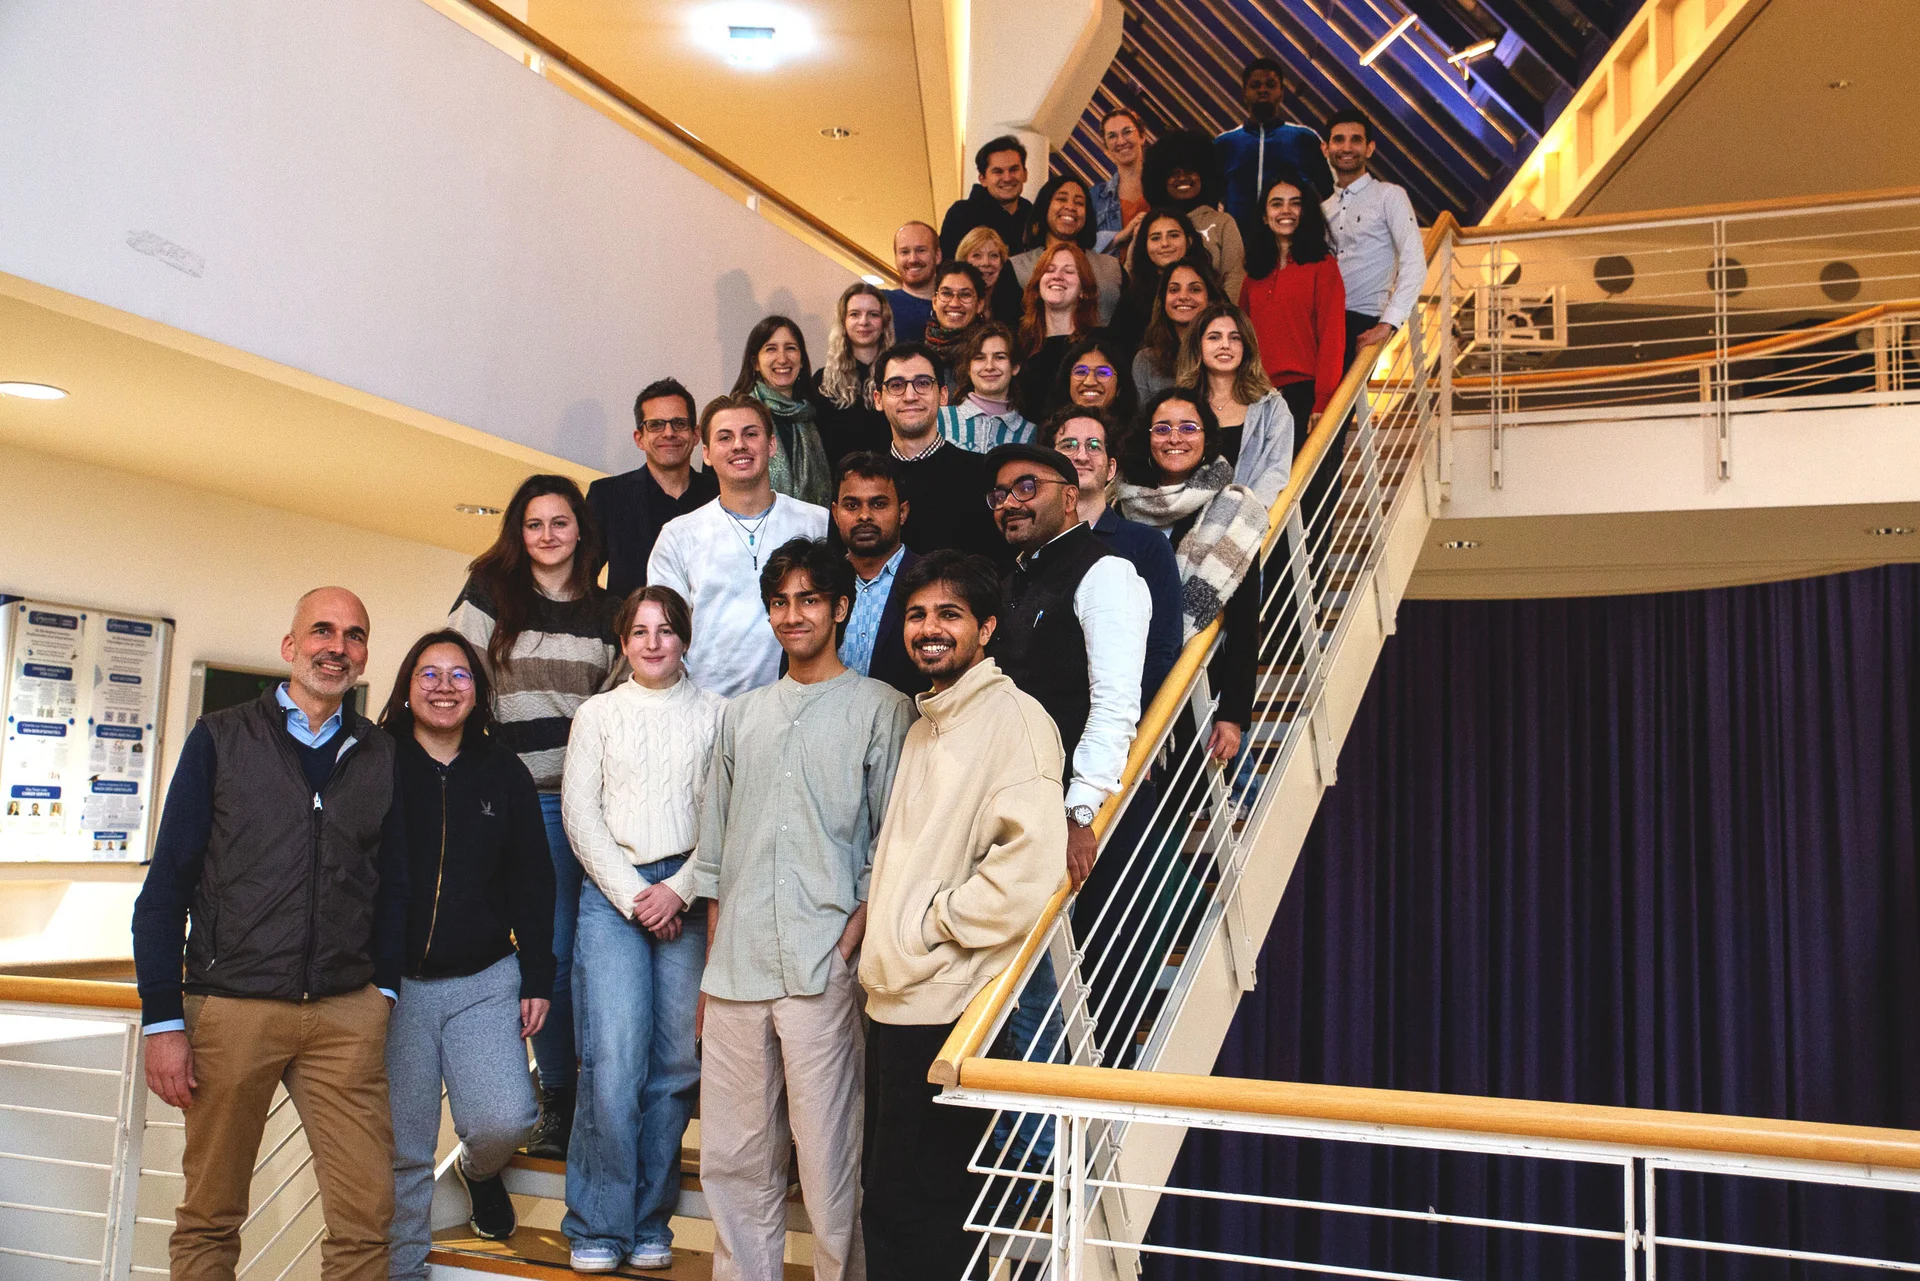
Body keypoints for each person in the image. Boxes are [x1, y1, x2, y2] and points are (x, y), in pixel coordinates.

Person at [637, 538, 913, 1281]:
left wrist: (852, 938)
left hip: (825, 967)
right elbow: (718, 855)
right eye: (781, 601)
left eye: (810, 599)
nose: (794, 614)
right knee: (733, 1162)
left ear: (840, 608)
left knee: (827, 1157)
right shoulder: (741, 717)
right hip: (734, 972)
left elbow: (890, 842)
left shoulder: (882, 709)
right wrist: (709, 972)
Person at [133, 587, 408, 1281]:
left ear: (364, 654)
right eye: (321, 630)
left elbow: (395, 885)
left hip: (345, 1015)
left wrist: (383, 991)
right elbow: (165, 888)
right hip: (234, 1005)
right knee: (210, 1215)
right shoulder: (221, 738)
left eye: (353, 634)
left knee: (366, 1217)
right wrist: (163, 1018)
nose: (336, 646)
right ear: (290, 646)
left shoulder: (379, 753)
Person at [859, 550, 1068, 1281]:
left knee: (927, 1209)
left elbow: (1029, 869)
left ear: (985, 628)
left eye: (949, 614)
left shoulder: (1015, 720)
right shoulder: (928, 722)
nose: (929, 628)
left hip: (946, 1001)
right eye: (917, 614)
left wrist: (931, 922)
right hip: (895, 1000)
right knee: (892, 1204)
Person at [450, 475, 621, 1161]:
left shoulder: (612, 612)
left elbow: (616, 708)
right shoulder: (491, 594)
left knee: (594, 957)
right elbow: (457, 677)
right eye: (533, 524)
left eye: (560, 522)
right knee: (544, 952)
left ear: (581, 529)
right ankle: (559, 1097)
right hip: (523, 804)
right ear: (518, 534)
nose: (548, 535)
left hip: (596, 808)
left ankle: (600, 1097)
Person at [559, 585, 726, 1273]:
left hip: (686, 894)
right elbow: (579, 815)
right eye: (639, 630)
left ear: (684, 636)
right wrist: (636, 895)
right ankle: (598, 1222)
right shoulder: (597, 714)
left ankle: (650, 1218)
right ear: (622, 641)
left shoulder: (719, 714)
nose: (652, 641)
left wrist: (679, 890)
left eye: (665, 629)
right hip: (613, 892)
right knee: (613, 1059)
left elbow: (723, 817)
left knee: (675, 1065)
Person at [382, 629, 555, 1278]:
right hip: (396, 987)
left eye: (459, 675)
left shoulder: (503, 771)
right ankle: (405, 1270)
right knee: (403, 1149)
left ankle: (481, 1173)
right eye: (429, 673)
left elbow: (532, 881)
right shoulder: (378, 759)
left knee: (503, 1118)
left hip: (485, 976)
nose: (444, 686)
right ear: (407, 686)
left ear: (479, 692)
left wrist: (538, 972)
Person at [1116, 390, 1267, 765]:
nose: (1175, 438)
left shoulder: (1234, 508)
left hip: (1196, 679)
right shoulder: (1118, 502)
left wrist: (1233, 716)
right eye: (1162, 428)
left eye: (1188, 427)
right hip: (1119, 674)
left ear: (1207, 436)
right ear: (1147, 437)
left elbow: (1245, 624)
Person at [648, 394, 831, 697]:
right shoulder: (678, 536)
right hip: (709, 709)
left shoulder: (816, 523)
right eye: (725, 437)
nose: (739, 445)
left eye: (750, 434)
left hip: (803, 702)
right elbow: (666, 632)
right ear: (706, 453)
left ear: (771, 445)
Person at [1038, 407, 1181, 704]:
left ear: (1111, 468)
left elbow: (1161, 649)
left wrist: (1125, 724)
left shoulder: (1147, 545)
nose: (1081, 455)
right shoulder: (1030, 545)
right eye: (1068, 445)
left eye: (1094, 446)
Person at [876, 343, 1009, 567]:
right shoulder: (866, 483)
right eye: (896, 385)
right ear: (878, 399)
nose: (910, 396)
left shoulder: (982, 474)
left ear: (943, 395)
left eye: (923, 383)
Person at [589, 378, 720, 601]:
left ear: (696, 434)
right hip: (630, 632)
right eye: (656, 425)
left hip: (710, 633)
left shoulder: (720, 494)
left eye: (679, 423)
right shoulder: (607, 496)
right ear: (639, 438)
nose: (669, 433)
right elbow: (579, 577)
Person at [1240, 170, 1347, 422]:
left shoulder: (1323, 266)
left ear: (1305, 213)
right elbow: (1243, 341)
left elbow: (1332, 339)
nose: (1286, 211)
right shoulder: (1253, 276)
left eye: (1295, 203)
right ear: (1265, 217)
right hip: (1258, 394)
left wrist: (1323, 400)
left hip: (1305, 394)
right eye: (1277, 204)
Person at [1322, 107, 1425, 368]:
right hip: (1321, 322)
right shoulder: (1322, 209)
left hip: (1364, 319)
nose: (1347, 147)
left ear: (1369, 148)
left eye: (1356, 139)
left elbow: (1414, 262)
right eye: (1338, 139)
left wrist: (1388, 323)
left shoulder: (1389, 196)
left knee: (1344, 405)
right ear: (1326, 149)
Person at [1177, 302, 1296, 506]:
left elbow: (1275, 471)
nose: (1225, 345)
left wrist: (1242, 518)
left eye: (1235, 338)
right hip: (1184, 519)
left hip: (1246, 522)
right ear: (1198, 346)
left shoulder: (1272, 407)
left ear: (1246, 347)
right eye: (1214, 337)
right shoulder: (1178, 405)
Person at [831, 452, 927, 697]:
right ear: (835, 513)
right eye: (851, 505)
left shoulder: (930, 582)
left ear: (903, 512)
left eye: (878, 504)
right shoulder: (820, 583)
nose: (864, 516)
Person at [1214, 58, 1333, 233]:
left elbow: (1331, 192)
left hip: (1294, 242)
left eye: (1270, 85)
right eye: (1255, 85)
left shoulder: (1304, 138)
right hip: (1241, 245)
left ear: (1281, 92)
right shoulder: (1225, 143)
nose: (1263, 90)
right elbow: (1210, 198)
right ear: (1244, 93)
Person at [732, 315, 831, 507]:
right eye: (771, 349)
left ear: (801, 360)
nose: (783, 359)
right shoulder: (737, 415)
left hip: (814, 532)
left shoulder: (819, 415)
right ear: (755, 363)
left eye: (790, 348)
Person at [1141, 129, 1247, 301]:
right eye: (1174, 173)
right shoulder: (1150, 224)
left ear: (1205, 175)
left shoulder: (1222, 222)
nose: (1182, 178)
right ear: (1160, 179)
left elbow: (1234, 278)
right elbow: (1134, 276)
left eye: (1190, 171)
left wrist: (1221, 318)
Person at [1008, 174, 1125, 324]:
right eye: (1061, 199)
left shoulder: (1112, 270)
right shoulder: (1017, 268)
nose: (1070, 207)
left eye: (1079, 203)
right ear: (1045, 206)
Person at [1014, 242, 1103, 419]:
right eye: (1050, 270)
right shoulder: (1019, 343)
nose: (1057, 276)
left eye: (1068, 271)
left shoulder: (1100, 344)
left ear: (1084, 291)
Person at [813, 282, 896, 465]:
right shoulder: (824, 381)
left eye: (873, 314)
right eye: (854, 314)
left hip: (891, 482)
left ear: (884, 323)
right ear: (844, 322)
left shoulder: (897, 378)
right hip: (839, 486)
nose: (863, 322)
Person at [1109, 207, 1207, 352]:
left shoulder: (1209, 287)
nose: (1165, 244)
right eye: (1155, 238)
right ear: (1145, 246)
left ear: (1189, 240)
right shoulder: (1133, 297)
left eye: (1173, 235)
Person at [1131, 260, 1230, 399]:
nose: (1183, 297)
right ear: (1164, 299)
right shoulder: (1146, 361)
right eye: (1174, 290)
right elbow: (1142, 419)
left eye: (1195, 289)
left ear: (1210, 298)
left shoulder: (1227, 352)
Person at [937, 322, 1033, 452]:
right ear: (968, 368)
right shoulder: (939, 418)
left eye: (999, 357)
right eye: (979, 358)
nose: (989, 366)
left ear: (1015, 367)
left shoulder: (1030, 434)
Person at [938, 135, 1033, 262]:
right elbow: (947, 267)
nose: (1007, 178)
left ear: (1025, 174)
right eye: (998, 172)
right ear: (982, 179)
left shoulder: (1033, 215)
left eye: (1014, 170)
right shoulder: (962, 215)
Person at [1049, 334, 1138, 426]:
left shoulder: (1137, 436)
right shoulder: (1050, 434)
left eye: (1103, 373)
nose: (1090, 382)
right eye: (1081, 372)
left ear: (1119, 387)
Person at [1091, 106, 1150, 242]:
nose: (1121, 141)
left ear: (1142, 137)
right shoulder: (1096, 197)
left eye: (1127, 132)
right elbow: (1084, 246)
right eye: (1112, 136)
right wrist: (1120, 236)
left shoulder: (1165, 185)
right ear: (1106, 148)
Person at [922, 261, 988, 380]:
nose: (954, 303)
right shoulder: (918, 354)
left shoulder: (990, 355)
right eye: (946, 293)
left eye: (965, 295)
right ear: (934, 302)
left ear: (979, 304)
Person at [956, 224, 1021, 326]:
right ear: (964, 261)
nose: (986, 262)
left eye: (993, 256)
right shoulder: (955, 303)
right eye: (977, 255)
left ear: (1002, 262)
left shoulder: (1017, 303)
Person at [887, 221, 941, 343]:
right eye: (904, 252)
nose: (913, 259)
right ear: (896, 258)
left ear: (937, 256)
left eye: (921, 250)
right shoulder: (881, 304)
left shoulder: (954, 307)